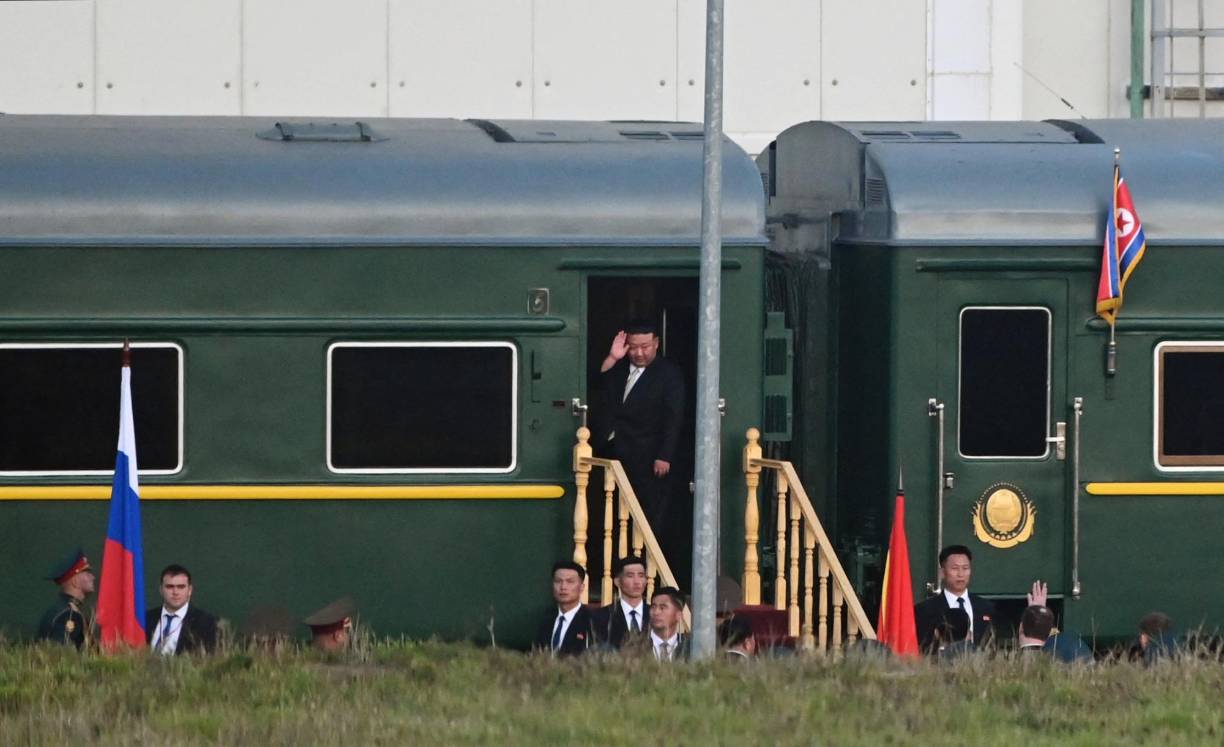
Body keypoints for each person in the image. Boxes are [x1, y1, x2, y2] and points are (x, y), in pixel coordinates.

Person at [596, 321, 685, 538]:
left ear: (656, 343)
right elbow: (598, 386)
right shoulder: (619, 368)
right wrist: (613, 357)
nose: (638, 353)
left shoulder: (669, 374)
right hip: (613, 450)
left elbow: (673, 417)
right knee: (610, 510)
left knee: (645, 511)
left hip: (647, 454)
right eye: (633, 347)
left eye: (644, 347)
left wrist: (664, 456)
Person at [914, 545, 996, 653]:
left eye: (965, 568)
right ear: (942, 572)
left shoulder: (986, 607)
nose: (960, 574)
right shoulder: (924, 610)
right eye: (955, 568)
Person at [145, 564, 218, 655]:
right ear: (161, 590)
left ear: (190, 590)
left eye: (181, 587)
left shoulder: (206, 623)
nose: (175, 592)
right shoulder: (146, 618)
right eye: (170, 587)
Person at [37, 549, 94, 649]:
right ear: (75, 581)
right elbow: (60, 652)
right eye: (87, 573)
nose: (92, 577)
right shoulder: (69, 615)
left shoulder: (64, 609)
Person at [533, 561, 593, 657]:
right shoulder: (544, 618)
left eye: (570, 582)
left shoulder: (592, 621)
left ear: (582, 587)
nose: (563, 587)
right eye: (558, 581)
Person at [591, 555, 649, 650]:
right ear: (617, 581)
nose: (637, 582)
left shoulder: (656, 614)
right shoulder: (602, 616)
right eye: (630, 576)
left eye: (641, 576)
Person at [647, 586, 688, 661]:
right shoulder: (636, 644)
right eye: (653, 607)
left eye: (662, 608)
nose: (656, 612)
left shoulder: (689, 647)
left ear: (678, 615)